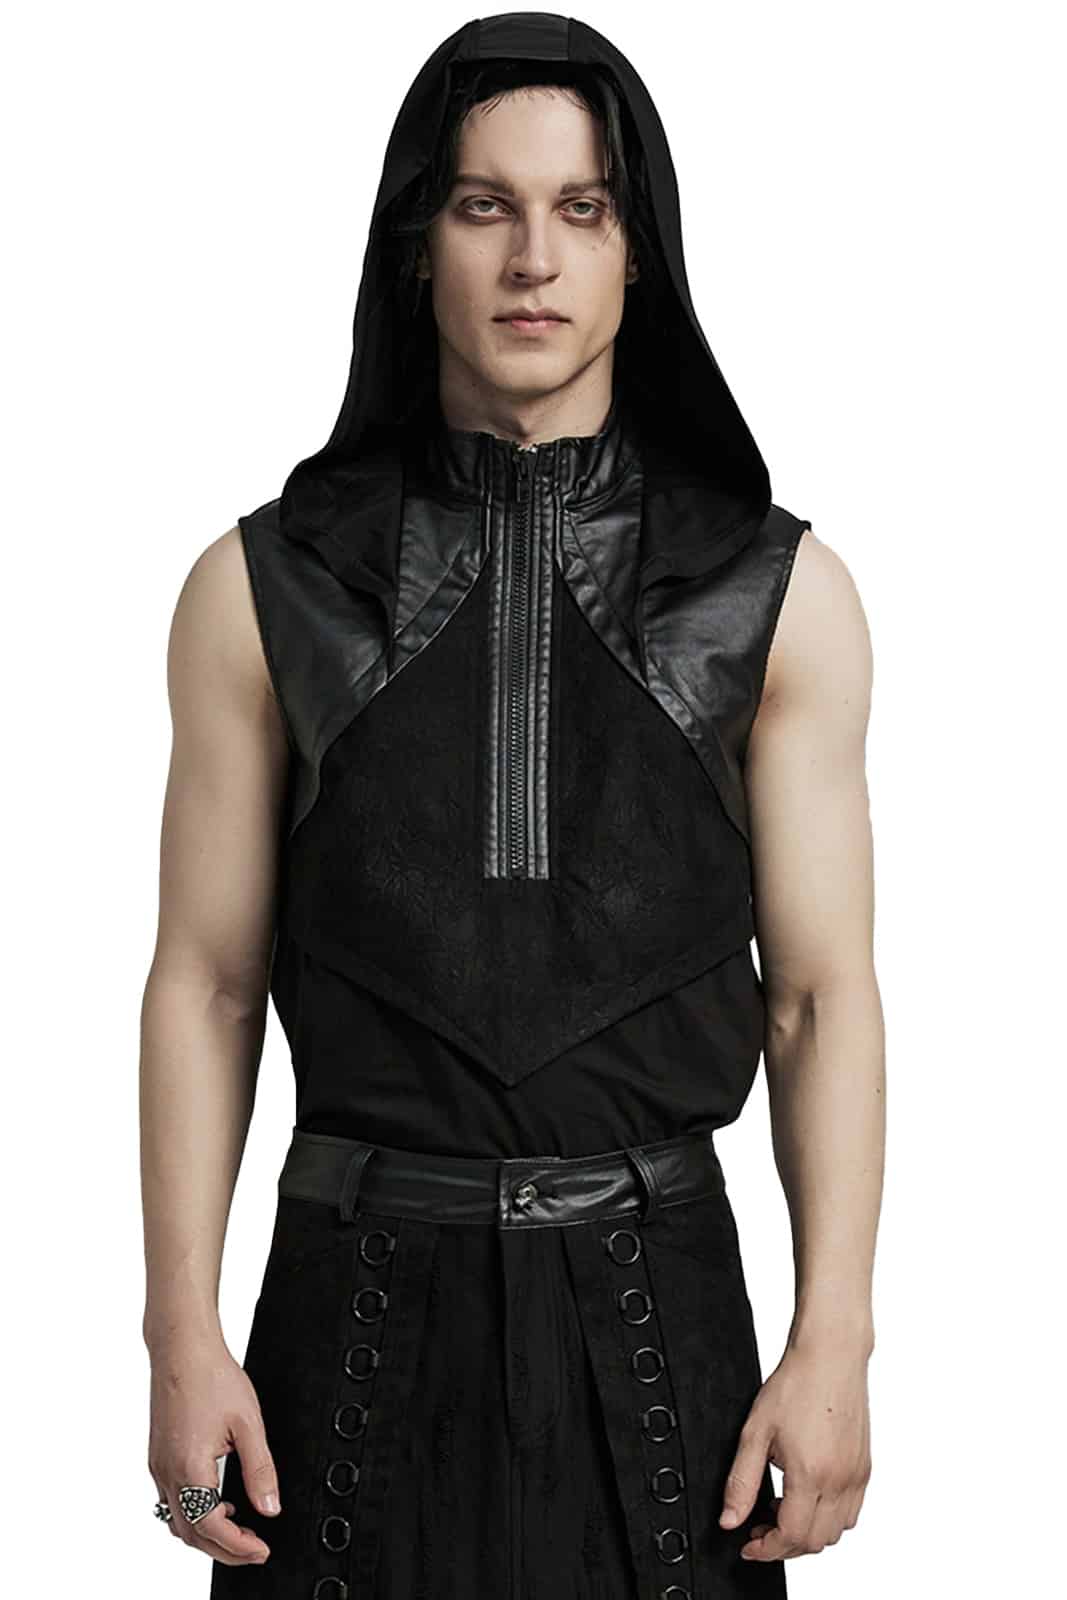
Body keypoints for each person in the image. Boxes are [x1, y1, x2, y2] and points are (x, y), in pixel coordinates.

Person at [140, 13, 883, 1599]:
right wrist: (179, 1334)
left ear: (636, 249)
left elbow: (820, 998)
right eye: (486, 206)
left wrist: (837, 1341)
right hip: (342, 1334)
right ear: (420, 241)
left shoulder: (778, 595)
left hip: (665, 1329)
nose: (533, 259)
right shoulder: (263, 589)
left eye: (581, 208)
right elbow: (204, 981)